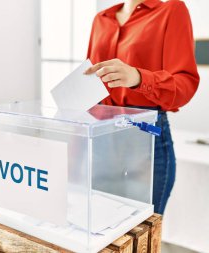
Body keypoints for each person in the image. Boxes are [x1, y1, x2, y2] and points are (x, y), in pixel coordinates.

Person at [84, 0, 200, 214]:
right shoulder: (101, 20)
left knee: (142, 234)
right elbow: (91, 78)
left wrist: (138, 77)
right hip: (102, 137)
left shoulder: (171, 10)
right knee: (101, 227)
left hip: (145, 137)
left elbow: (185, 86)